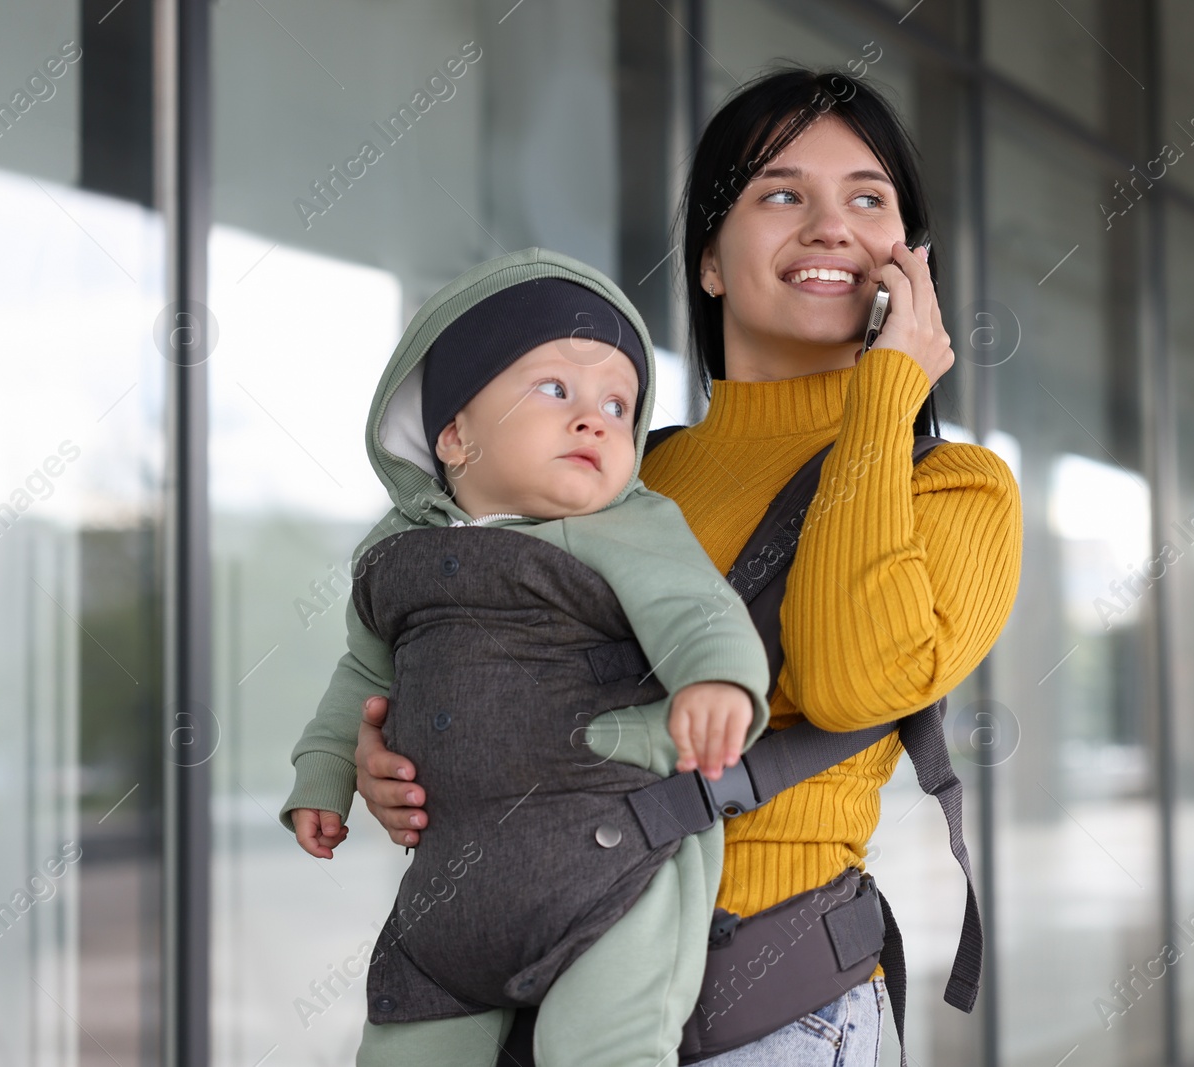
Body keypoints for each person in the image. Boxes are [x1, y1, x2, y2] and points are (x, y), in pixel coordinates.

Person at [355, 67, 1024, 1064]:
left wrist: (883, 397)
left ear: (907, 261)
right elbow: (487, 645)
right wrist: (407, 752)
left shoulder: (954, 487)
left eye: (868, 199)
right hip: (534, 992)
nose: (831, 225)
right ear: (709, 260)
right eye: (782, 193)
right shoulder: (622, 474)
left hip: (760, 1013)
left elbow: (850, 678)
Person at [277, 247, 774, 1067]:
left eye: (619, 404)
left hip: (607, 876)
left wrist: (718, 680)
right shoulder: (395, 553)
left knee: (603, 1051)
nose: (594, 418)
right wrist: (324, 770)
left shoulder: (633, 526)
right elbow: (362, 677)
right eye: (555, 389)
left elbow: (695, 607)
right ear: (454, 435)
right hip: (444, 907)